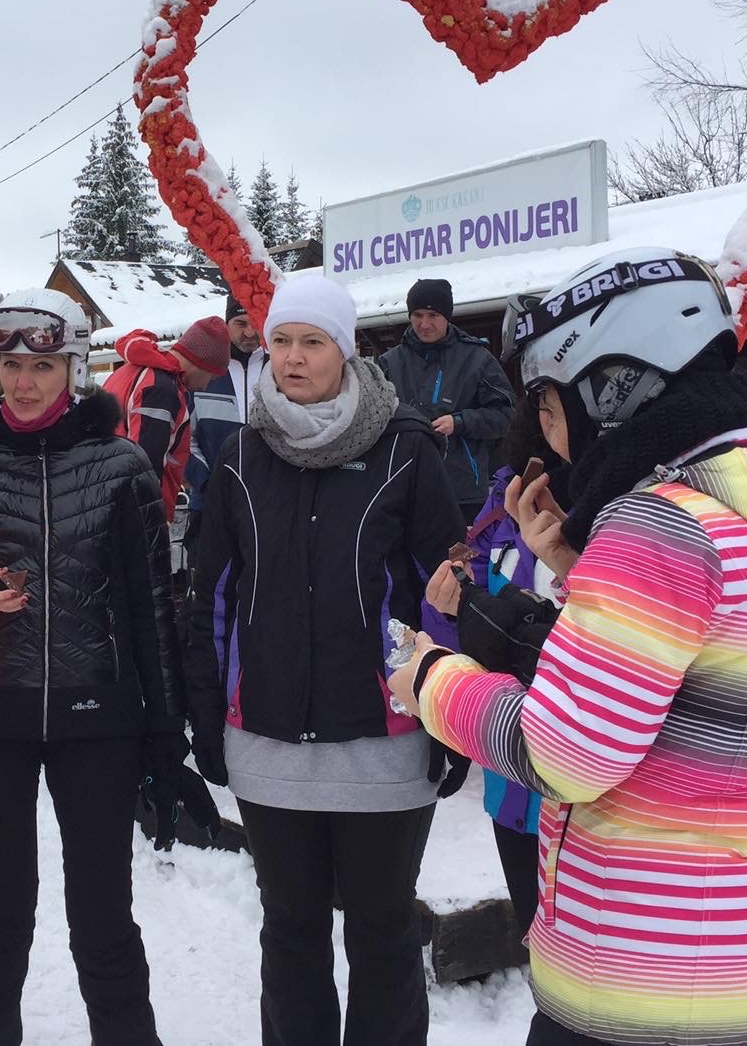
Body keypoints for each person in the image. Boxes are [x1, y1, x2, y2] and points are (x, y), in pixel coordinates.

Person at [393, 248, 747, 1046]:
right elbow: (722, 671)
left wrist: (431, 677)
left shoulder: (659, 526)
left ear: (613, 385)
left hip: (637, 984)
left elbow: (564, 755)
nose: (552, 443)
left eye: (551, 409)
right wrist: (576, 568)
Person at [0, 288, 201, 1046]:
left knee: (103, 915)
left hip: (96, 718)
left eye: (43, 364)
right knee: (1, 912)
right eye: (11, 365)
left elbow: (151, 610)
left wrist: (167, 739)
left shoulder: (120, 466)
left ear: (73, 368)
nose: (25, 382)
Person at [186, 273, 467, 1046]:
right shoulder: (241, 454)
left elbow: (445, 593)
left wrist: (452, 715)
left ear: (345, 350)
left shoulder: (405, 449)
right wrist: (208, 712)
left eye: (312, 342)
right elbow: (211, 596)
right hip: (268, 742)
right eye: (280, 341)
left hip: (385, 743)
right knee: (291, 933)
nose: (293, 358)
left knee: (382, 935)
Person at [422, 401, 570, 945]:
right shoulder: (498, 510)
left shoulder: (614, 514)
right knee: (539, 939)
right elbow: (457, 604)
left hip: (586, 788)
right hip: (512, 776)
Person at [377, 277, 516, 523]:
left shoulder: (477, 358)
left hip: (463, 494)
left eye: (433, 315)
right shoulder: (390, 362)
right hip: (402, 487)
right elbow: (372, 418)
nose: (424, 324)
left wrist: (460, 422)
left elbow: (506, 415)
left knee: (462, 561)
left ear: (447, 316)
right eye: (417, 315)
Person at [103, 313, 230, 513]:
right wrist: (150, 528)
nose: (205, 386)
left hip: (105, 498)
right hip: (129, 515)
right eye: (212, 378)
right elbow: (144, 469)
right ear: (201, 363)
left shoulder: (132, 370)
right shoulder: (161, 389)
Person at [185, 294, 269, 544]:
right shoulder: (205, 370)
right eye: (240, 324)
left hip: (267, 504)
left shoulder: (276, 368)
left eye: (255, 322)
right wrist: (208, 484)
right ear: (226, 324)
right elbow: (184, 438)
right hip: (211, 505)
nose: (250, 332)